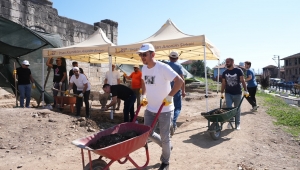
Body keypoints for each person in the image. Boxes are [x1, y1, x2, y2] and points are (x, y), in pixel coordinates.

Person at [138, 43, 184, 170]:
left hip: (165, 109)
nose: (142, 57)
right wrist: (144, 96)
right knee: (148, 133)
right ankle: (167, 146)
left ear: (153, 54)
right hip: (150, 108)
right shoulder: (144, 68)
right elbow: (143, 82)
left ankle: (165, 162)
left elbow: (180, 81)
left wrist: (170, 97)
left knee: (165, 137)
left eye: (144, 54)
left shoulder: (163, 68)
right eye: (141, 54)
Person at [221, 58, 248, 130]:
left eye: (228, 62)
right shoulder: (224, 72)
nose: (226, 63)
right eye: (226, 62)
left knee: (237, 109)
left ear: (232, 62)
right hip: (228, 93)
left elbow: (242, 80)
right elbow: (223, 83)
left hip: (237, 93)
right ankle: (231, 122)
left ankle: (237, 123)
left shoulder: (238, 70)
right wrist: (221, 92)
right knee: (229, 108)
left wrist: (246, 90)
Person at [167, 51, 186, 133]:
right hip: (176, 90)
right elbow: (182, 80)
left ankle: (166, 123)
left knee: (167, 108)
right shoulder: (179, 66)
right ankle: (173, 122)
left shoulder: (165, 65)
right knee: (177, 107)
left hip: (166, 90)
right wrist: (183, 91)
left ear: (169, 57)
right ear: (177, 58)